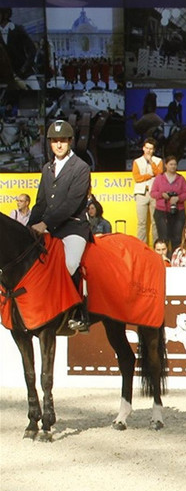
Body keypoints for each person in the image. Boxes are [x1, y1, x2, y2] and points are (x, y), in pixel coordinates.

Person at [29, 120, 92, 332]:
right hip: (51, 228)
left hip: (73, 228)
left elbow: (71, 204)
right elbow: (40, 203)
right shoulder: (47, 169)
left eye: (62, 141)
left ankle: (79, 312)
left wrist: (45, 223)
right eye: (55, 141)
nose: (58, 145)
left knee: (70, 264)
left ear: (70, 142)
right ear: (50, 143)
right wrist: (29, 229)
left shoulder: (81, 168)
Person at [149, 155, 186, 251]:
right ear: (166, 165)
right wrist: (162, 195)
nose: (173, 166)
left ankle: (176, 258)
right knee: (164, 237)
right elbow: (153, 193)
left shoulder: (181, 179)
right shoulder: (159, 178)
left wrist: (178, 198)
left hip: (178, 211)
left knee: (177, 237)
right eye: (171, 164)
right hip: (162, 212)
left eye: (175, 164)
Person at [131, 137, 163, 244]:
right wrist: (149, 175)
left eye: (151, 149)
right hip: (141, 193)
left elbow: (159, 175)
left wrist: (151, 162)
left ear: (153, 150)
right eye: (147, 148)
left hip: (154, 194)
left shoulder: (158, 161)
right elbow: (137, 178)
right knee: (141, 223)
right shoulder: (137, 161)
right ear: (143, 148)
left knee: (155, 222)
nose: (148, 151)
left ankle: (157, 248)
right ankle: (141, 248)